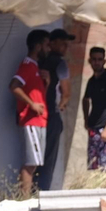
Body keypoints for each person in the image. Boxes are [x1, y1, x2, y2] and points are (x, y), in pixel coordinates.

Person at [10, 29, 50, 197]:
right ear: (38, 46)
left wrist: (47, 82)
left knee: (35, 162)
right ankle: (24, 199)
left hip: (40, 120)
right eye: (46, 45)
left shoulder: (36, 69)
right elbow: (14, 86)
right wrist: (31, 104)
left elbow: (40, 95)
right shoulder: (27, 66)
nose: (49, 49)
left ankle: (27, 197)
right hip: (31, 121)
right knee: (30, 163)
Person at [37, 27, 76, 190]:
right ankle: (43, 192)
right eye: (62, 43)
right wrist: (61, 106)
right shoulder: (60, 63)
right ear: (51, 44)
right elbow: (66, 92)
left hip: (38, 114)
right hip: (51, 114)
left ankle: (34, 191)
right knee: (49, 156)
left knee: (37, 156)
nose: (65, 47)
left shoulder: (39, 60)